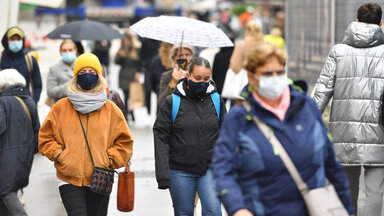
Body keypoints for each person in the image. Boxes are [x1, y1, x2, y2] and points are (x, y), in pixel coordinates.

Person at [211, 43, 354, 216]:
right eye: (267, 73)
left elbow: (331, 164)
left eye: (279, 72)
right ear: (251, 77)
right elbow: (222, 169)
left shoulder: (306, 107)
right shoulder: (238, 118)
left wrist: (347, 209)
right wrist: (238, 208)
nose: (275, 77)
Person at [39, 53, 133, 216]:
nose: (86, 76)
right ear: (75, 78)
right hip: (69, 177)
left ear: (99, 76)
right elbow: (45, 138)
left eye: (91, 71)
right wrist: (60, 155)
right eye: (81, 73)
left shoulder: (110, 109)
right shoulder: (61, 107)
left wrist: (109, 160)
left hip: (100, 176)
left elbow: (125, 142)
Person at [312, 3, 384, 215]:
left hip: (344, 131)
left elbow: (322, 91)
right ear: (380, 23)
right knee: (375, 190)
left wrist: (308, 122)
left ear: (357, 21)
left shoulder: (338, 51)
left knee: (347, 186)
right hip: (379, 131)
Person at [153, 57, 226, 216]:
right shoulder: (172, 102)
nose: (202, 82)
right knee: (184, 212)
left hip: (210, 168)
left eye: (206, 79)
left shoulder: (217, 101)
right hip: (180, 170)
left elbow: (226, 135)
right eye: (197, 78)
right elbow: (160, 136)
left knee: (214, 211)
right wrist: (163, 175)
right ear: (188, 76)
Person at [0, 69, 40, 216]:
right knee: (7, 193)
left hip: (5, 157)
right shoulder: (28, 101)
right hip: (24, 156)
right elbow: (38, 132)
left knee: (6, 192)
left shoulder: (3, 102)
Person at [0, 26, 42, 104]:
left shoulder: (30, 60)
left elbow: (37, 86)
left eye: (18, 39)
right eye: (12, 39)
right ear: (6, 41)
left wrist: (32, 103)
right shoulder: (1, 58)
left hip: (24, 104)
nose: (16, 42)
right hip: (2, 105)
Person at [157, 42, 195, 107]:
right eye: (180, 55)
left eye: (187, 55)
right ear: (174, 58)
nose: (184, 58)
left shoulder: (197, 75)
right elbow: (161, 102)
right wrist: (173, 84)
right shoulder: (167, 76)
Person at [115, 32, 140, 121]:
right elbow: (116, 61)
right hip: (124, 75)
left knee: (132, 96)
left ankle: (132, 112)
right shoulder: (121, 50)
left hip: (132, 75)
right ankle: (126, 114)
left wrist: (138, 72)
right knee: (125, 96)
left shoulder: (135, 50)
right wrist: (122, 54)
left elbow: (138, 63)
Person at [47, 39, 78, 103]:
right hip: (61, 107)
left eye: (70, 50)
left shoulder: (82, 67)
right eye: (64, 50)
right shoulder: (54, 69)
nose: (67, 53)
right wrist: (70, 85)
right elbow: (50, 92)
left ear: (75, 51)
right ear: (60, 52)